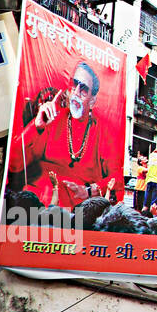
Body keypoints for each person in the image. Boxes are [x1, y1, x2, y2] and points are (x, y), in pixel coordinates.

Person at [9, 62, 112, 208]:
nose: (76, 92)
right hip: (40, 210)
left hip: (80, 215)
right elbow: (14, 164)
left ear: (93, 101)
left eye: (83, 89)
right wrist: (36, 127)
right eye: (74, 84)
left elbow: (116, 178)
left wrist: (88, 191)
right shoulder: (52, 119)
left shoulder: (102, 130)